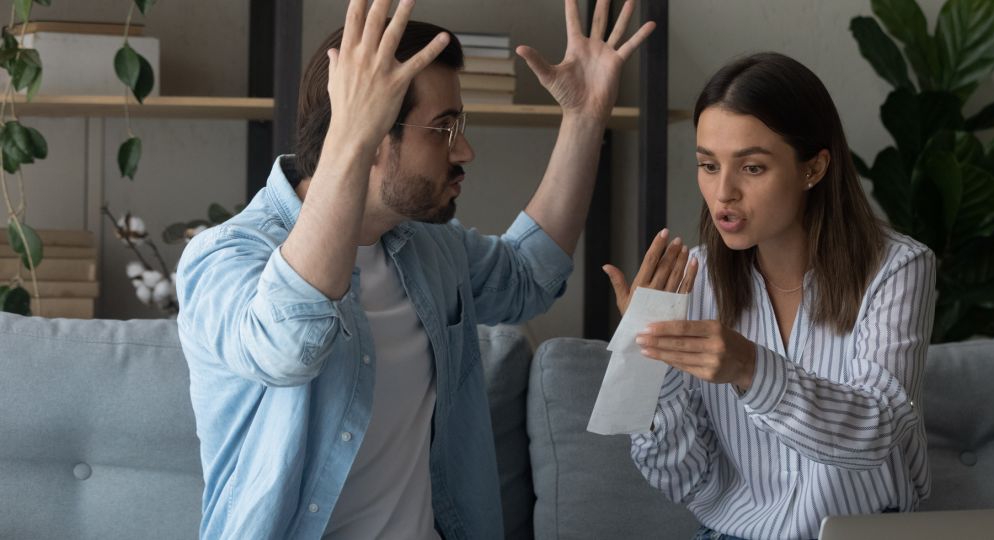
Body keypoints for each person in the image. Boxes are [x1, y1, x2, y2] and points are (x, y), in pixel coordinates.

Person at [174, 0, 654, 537]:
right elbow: (289, 348)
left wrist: (585, 119)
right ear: (375, 135)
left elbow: (526, 275)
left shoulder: (424, 248)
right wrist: (349, 139)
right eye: (443, 130)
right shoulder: (225, 257)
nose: (465, 151)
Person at [604, 52, 937, 540]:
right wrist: (645, 362)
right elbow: (683, 479)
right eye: (708, 165)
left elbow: (878, 428)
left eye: (752, 168)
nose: (723, 194)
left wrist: (751, 368)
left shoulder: (898, 267)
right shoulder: (689, 282)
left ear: (814, 168)